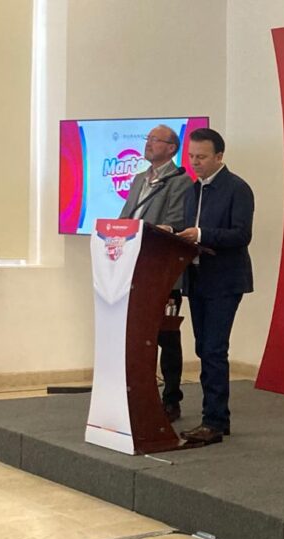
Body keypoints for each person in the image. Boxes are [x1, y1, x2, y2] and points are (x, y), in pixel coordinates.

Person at [176, 128, 254, 445]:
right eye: (191, 156)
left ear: (219, 156)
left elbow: (241, 234)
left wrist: (201, 235)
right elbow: (189, 229)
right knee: (203, 348)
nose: (195, 162)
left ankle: (215, 421)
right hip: (197, 277)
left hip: (224, 279)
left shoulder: (237, 188)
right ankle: (217, 417)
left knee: (214, 349)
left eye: (202, 157)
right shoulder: (192, 189)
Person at [119, 124, 191, 422]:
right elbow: (125, 218)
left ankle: (171, 399)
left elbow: (175, 223)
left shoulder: (180, 181)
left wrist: (147, 234)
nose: (148, 144)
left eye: (155, 140)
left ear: (172, 148)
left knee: (166, 336)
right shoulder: (139, 179)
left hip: (162, 272)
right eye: (147, 139)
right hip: (132, 270)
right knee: (136, 336)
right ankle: (139, 394)